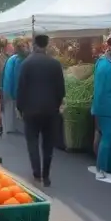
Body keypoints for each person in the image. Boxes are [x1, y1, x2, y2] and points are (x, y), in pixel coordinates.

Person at [16, 34, 66, 186]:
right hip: (50, 110)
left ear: (34, 45)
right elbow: (61, 90)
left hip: (30, 110)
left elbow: (21, 89)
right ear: (47, 45)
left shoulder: (26, 64)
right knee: (48, 143)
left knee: (32, 141)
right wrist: (57, 105)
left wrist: (20, 107)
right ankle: (46, 175)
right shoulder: (55, 64)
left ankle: (36, 173)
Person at [90, 36, 111, 184]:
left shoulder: (105, 63)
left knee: (108, 137)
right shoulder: (106, 65)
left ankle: (106, 167)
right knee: (108, 137)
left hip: (107, 107)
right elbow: (100, 90)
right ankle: (101, 169)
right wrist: (97, 109)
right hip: (107, 108)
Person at [1, 40, 27, 134]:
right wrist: (15, 94)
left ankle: (10, 128)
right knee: (14, 110)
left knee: (9, 111)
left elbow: (4, 74)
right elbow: (16, 78)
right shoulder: (18, 60)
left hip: (6, 88)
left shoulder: (12, 58)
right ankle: (15, 129)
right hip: (12, 90)